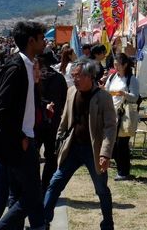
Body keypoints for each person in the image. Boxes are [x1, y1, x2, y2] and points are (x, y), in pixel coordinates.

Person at [0, 20, 48, 230]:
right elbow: (0, 111)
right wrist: (21, 138)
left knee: (16, 197)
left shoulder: (28, 66)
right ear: (31, 41)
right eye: (41, 38)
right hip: (14, 143)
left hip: (22, 139)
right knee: (25, 197)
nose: (45, 42)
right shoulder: (16, 67)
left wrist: (43, 105)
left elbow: (23, 103)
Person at [43, 58, 117, 230]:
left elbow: (110, 127)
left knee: (101, 189)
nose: (75, 79)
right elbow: (65, 119)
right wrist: (59, 139)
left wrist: (105, 153)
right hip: (73, 148)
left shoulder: (103, 97)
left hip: (94, 151)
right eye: (73, 75)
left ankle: (108, 223)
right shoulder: (71, 92)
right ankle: (44, 222)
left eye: (78, 76)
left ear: (90, 76)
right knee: (55, 184)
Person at [105, 52, 140, 180]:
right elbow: (107, 90)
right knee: (113, 142)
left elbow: (135, 97)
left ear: (125, 65)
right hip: (111, 113)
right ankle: (121, 168)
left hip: (124, 114)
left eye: (117, 64)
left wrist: (123, 93)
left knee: (122, 143)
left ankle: (124, 171)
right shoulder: (112, 77)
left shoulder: (132, 79)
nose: (115, 67)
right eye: (114, 64)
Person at [38, 50, 68, 193]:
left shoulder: (34, 78)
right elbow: (64, 100)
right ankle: (46, 186)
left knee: (32, 156)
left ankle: (34, 184)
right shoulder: (59, 78)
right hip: (53, 122)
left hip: (35, 123)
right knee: (51, 156)